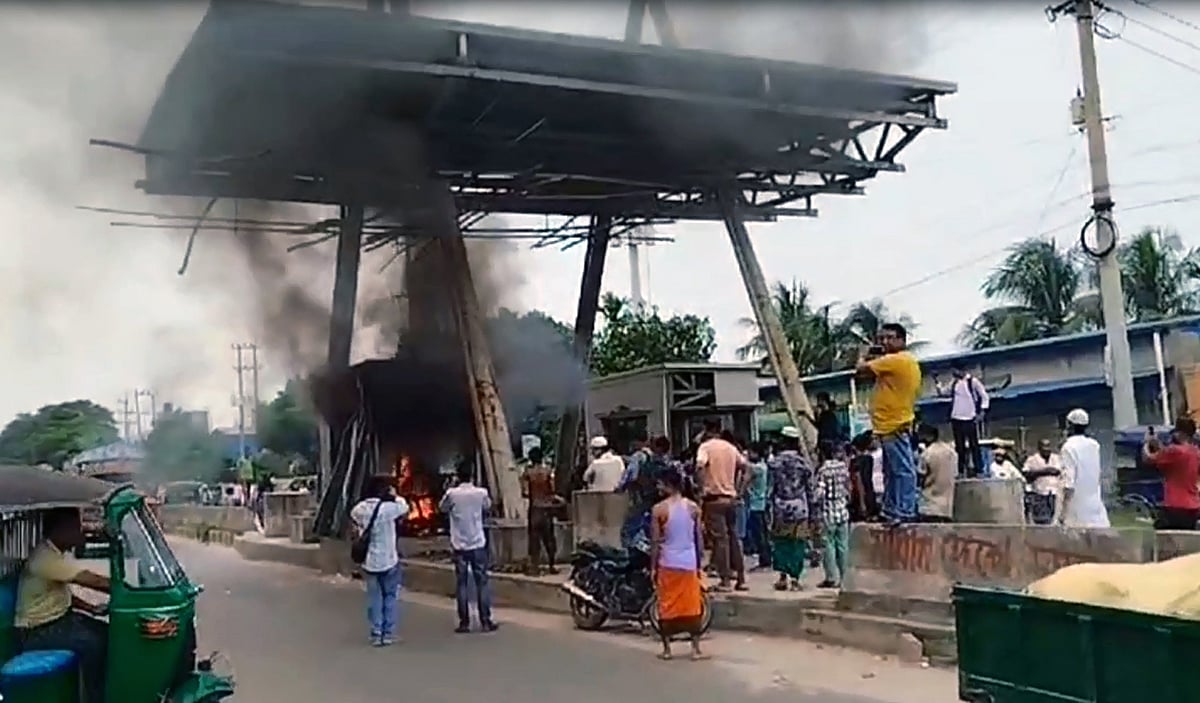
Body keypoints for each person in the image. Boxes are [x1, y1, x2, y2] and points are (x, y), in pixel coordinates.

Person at [15, 508, 111, 703]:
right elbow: (90, 580)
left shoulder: (56, 554)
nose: (80, 532)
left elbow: (62, 596)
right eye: (75, 527)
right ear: (60, 529)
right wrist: (124, 588)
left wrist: (91, 609)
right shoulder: (45, 558)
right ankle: (94, 698)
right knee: (94, 645)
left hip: (58, 621)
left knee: (110, 633)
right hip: (38, 631)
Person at [855, 323, 922, 526]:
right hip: (889, 424)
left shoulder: (896, 359)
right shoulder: (899, 361)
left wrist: (862, 354)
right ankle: (893, 509)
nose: (884, 342)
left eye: (889, 337)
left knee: (902, 470)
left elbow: (860, 370)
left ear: (902, 340)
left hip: (894, 423)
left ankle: (903, 510)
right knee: (892, 470)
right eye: (881, 338)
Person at [648, 467, 708, 661]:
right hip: (689, 562)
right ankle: (696, 649)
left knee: (667, 605)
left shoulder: (658, 510)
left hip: (668, 562)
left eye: (660, 484)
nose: (657, 487)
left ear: (667, 485)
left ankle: (667, 650)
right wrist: (699, 562)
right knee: (692, 606)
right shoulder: (693, 508)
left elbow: (655, 542)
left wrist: (653, 566)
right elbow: (698, 539)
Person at [350, 475, 409, 646]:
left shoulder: (359, 509)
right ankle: (388, 633)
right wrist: (395, 494)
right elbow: (404, 507)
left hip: (370, 561)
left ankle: (376, 633)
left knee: (374, 598)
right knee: (390, 597)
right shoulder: (389, 508)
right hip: (389, 559)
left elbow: (354, 518)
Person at [439, 464, 499, 633]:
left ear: (458, 477)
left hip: (459, 544)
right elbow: (488, 506)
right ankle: (485, 620)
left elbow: (442, 508)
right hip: (477, 542)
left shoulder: (451, 494)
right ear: (472, 476)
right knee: (482, 582)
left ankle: (464, 622)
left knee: (462, 583)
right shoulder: (481, 493)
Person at [695, 420, 748, 592]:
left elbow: (700, 466)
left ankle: (725, 580)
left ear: (707, 430)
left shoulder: (705, 447)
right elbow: (748, 469)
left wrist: (702, 489)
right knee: (734, 538)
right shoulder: (731, 448)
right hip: (731, 498)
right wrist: (739, 490)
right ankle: (741, 578)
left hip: (714, 499)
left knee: (720, 540)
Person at [767, 426, 820, 591]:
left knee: (781, 543)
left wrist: (768, 510)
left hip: (780, 508)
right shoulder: (804, 463)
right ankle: (795, 580)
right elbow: (811, 491)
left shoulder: (774, 463)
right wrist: (814, 514)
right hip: (800, 508)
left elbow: (770, 489)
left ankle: (782, 577)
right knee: (797, 543)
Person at [1143, 417, 1200, 530]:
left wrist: (1146, 443)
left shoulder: (1174, 451)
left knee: (1162, 539)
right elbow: (1169, 456)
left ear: (1181, 433)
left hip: (1174, 506)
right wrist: (1158, 445)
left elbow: (1148, 459)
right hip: (1193, 506)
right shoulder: (1196, 452)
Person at [1059, 408, 1110, 528]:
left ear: (1069, 426)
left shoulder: (1068, 447)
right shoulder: (1094, 445)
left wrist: (1063, 513)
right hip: (1095, 504)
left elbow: (1069, 484)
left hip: (1076, 507)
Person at [937, 362, 989, 477]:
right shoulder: (954, 382)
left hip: (970, 417)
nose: (954, 373)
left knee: (973, 445)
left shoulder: (972, 382)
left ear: (961, 370)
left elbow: (984, 396)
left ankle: (979, 470)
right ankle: (961, 471)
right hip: (956, 417)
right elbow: (944, 392)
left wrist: (982, 411)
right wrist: (938, 383)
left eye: (955, 371)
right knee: (959, 447)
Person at [520, 446, 565, 573]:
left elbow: (525, 492)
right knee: (549, 538)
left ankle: (535, 567)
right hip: (547, 510)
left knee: (534, 539)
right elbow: (552, 489)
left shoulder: (527, 472)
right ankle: (551, 566)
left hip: (535, 509)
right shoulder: (548, 471)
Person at [814, 441, 851, 589]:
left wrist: (815, 500)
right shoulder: (842, 467)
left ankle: (831, 577)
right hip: (842, 510)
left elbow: (820, 493)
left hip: (828, 511)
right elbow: (848, 486)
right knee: (843, 545)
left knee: (828, 545)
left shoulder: (823, 470)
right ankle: (844, 578)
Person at [917, 424, 957, 523]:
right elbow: (955, 474)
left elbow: (921, 476)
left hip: (930, 506)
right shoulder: (951, 452)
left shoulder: (927, 454)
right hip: (948, 508)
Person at [742, 442, 772, 570]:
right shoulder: (764, 466)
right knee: (763, 532)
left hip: (756, 504)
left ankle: (764, 559)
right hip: (762, 503)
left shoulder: (755, 468)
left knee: (759, 533)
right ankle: (766, 557)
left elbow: (745, 481)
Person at [1022, 438, 1064, 525]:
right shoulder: (1032, 459)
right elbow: (1026, 474)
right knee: (1041, 522)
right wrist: (1046, 471)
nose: (1046, 449)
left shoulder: (1056, 458)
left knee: (1055, 521)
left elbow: (1057, 471)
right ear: (1039, 448)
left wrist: (1038, 472)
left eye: (1048, 446)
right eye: (1044, 446)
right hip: (1039, 494)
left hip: (1055, 494)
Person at [848, 432, 879, 522]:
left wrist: (862, 503)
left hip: (860, 495)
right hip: (869, 493)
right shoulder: (869, 459)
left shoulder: (856, 462)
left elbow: (858, 480)